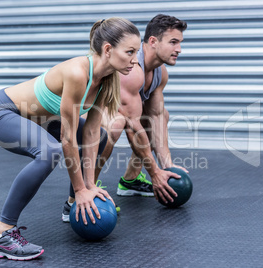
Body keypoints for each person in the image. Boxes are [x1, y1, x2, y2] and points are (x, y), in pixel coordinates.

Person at [0, 18, 141, 261]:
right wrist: (80, 186)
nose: (135, 60)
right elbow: (67, 138)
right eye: (130, 52)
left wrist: (88, 187)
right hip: (0, 113)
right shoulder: (77, 73)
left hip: (40, 119)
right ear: (108, 49)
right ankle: (2, 235)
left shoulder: (108, 79)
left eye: (136, 52)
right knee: (49, 152)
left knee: (103, 137)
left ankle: (73, 205)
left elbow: (92, 134)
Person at [62, 14, 188, 222]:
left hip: (123, 115)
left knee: (161, 114)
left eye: (180, 43)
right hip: (84, 116)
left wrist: (167, 167)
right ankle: (82, 192)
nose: (179, 49)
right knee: (116, 123)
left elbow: (156, 117)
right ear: (153, 41)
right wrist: (154, 173)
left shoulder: (160, 73)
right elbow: (132, 126)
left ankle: (130, 181)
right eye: (173, 42)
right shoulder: (132, 71)